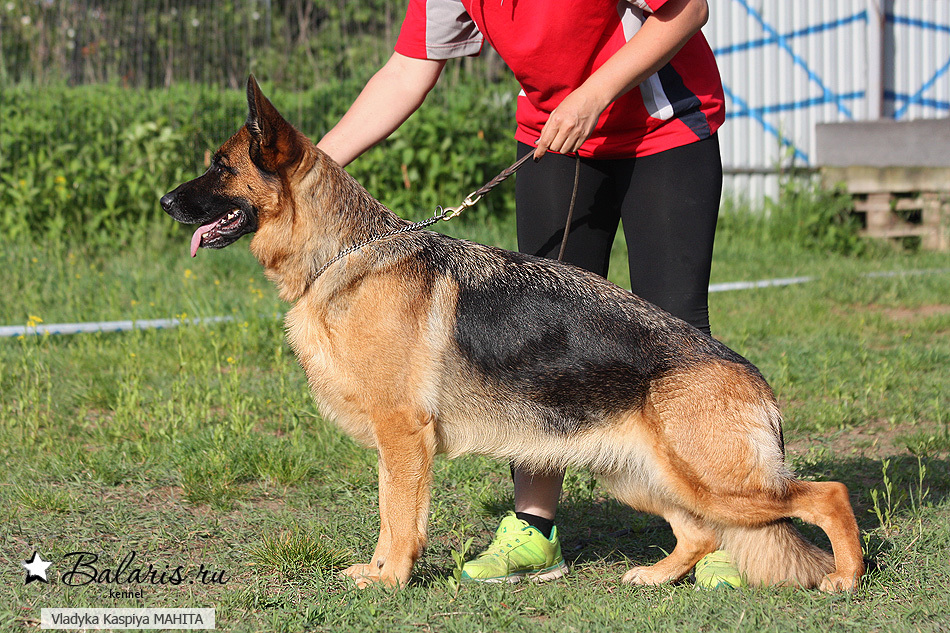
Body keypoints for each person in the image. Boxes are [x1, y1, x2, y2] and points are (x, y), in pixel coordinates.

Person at [318, 0, 738, 586]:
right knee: (535, 341)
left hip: (663, 126)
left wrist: (593, 95)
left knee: (674, 324)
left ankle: (723, 528)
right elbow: (407, 68)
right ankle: (532, 531)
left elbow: (690, 10)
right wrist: (310, 171)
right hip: (556, 135)